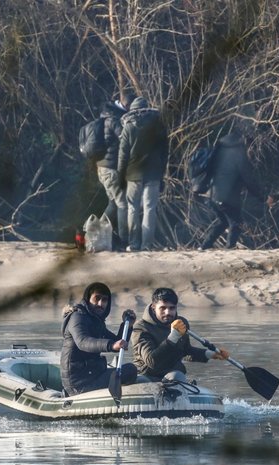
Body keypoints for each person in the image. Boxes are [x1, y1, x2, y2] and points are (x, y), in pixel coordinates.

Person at [131, 287, 229, 381]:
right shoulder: (140, 328)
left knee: (177, 375)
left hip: (172, 376)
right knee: (176, 376)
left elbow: (185, 351)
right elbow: (151, 361)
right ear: (153, 307)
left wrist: (211, 354)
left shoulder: (181, 323)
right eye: (162, 308)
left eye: (172, 308)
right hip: (147, 376)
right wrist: (172, 338)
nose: (167, 312)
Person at [61, 282, 138, 396]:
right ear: (88, 299)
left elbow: (117, 344)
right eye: (96, 299)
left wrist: (128, 326)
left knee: (130, 370)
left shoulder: (96, 322)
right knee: (130, 370)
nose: (100, 303)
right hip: (78, 383)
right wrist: (111, 345)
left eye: (104, 300)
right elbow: (83, 342)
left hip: (93, 374)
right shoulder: (77, 317)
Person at [199, 130, 270, 250]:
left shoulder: (219, 152)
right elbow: (249, 181)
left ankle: (204, 246)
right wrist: (264, 198)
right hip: (226, 197)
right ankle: (229, 248)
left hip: (211, 195)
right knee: (236, 223)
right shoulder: (238, 156)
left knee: (223, 222)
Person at [117, 96, 169, 251]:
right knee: (149, 209)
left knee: (132, 208)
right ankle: (147, 245)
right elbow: (164, 154)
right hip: (153, 174)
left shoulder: (128, 127)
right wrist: (161, 174)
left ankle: (133, 244)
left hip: (133, 174)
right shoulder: (159, 126)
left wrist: (120, 176)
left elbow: (123, 154)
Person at [95, 97, 129, 249]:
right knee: (122, 204)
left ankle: (95, 233)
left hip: (101, 168)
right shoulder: (113, 121)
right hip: (111, 169)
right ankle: (123, 241)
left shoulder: (101, 121)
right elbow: (125, 139)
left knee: (113, 203)